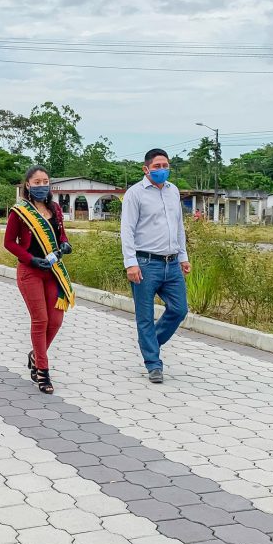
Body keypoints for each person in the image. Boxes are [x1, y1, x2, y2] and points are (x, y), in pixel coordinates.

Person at [120, 148, 190, 384]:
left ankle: (149, 342)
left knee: (179, 309)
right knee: (145, 316)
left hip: (171, 263)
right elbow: (127, 230)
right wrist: (130, 263)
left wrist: (183, 256)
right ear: (146, 169)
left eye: (166, 166)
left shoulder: (173, 192)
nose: (162, 170)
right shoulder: (135, 194)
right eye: (157, 166)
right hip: (145, 263)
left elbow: (179, 227)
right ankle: (153, 363)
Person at [3, 166, 74, 394]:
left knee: (55, 320)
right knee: (40, 319)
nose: (42, 185)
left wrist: (65, 243)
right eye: (37, 182)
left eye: (45, 181)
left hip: (53, 270)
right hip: (30, 271)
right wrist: (31, 260)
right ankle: (42, 370)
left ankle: (35, 355)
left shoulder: (54, 208)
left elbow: (61, 234)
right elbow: (9, 242)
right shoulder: (20, 211)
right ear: (28, 185)